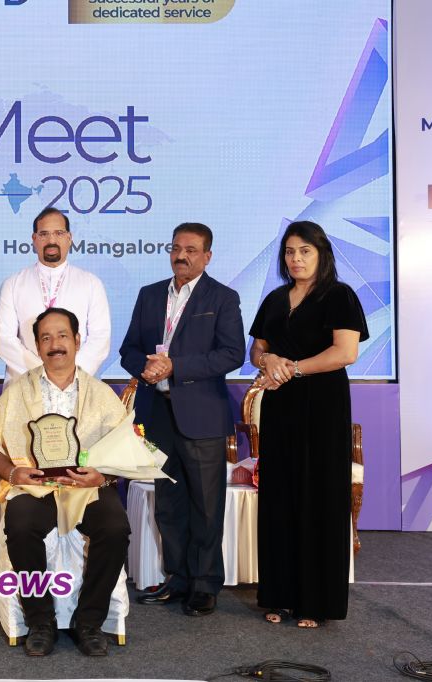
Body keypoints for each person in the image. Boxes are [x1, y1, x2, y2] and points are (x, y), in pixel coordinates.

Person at [0, 308, 129, 657]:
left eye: (62, 335)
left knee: (115, 527)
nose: (55, 344)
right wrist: (13, 474)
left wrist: (104, 475)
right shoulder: (18, 392)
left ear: (77, 341)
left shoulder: (101, 393)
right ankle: (40, 622)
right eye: (46, 338)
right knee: (20, 525)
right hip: (35, 485)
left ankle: (89, 622)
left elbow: (124, 449)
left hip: (87, 486)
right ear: (37, 346)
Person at [119, 222, 244, 617]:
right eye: (176, 248)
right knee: (169, 504)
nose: (181, 256)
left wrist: (176, 366)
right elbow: (128, 349)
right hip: (157, 414)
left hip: (201, 415)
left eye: (191, 250)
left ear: (207, 256)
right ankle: (177, 578)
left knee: (206, 505)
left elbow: (232, 353)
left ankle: (205, 585)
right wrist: (145, 369)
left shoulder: (222, 298)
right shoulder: (150, 294)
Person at [248, 220, 367, 629]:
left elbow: (345, 353)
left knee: (320, 498)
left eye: (304, 251)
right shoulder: (275, 298)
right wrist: (268, 360)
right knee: (280, 496)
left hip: (323, 406)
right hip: (280, 407)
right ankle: (278, 594)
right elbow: (257, 349)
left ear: (321, 254)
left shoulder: (339, 295)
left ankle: (317, 602)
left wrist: (293, 368)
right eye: (289, 251)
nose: (295, 259)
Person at [0, 208, 111, 384]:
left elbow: (100, 338)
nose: (51, 240)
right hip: (25, 383)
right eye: (44, 234)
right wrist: (45, 374)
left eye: (59, 233)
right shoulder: (12, 284)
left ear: (69, 238)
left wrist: (69, 375)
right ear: (34, 239)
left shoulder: (91, 283)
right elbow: (4, 341)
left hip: (79, 383)